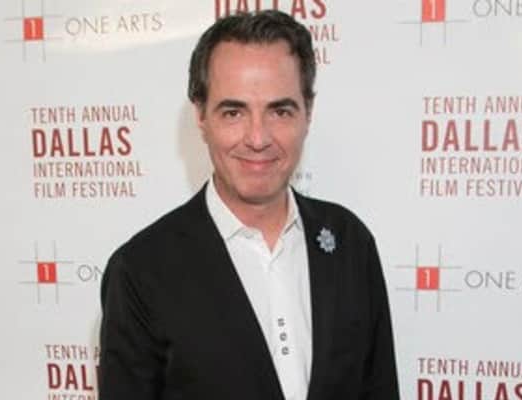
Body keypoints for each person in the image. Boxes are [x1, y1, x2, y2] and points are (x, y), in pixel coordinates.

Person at [99, 10, 400, 400]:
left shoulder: (349, 242)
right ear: (201, 117)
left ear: (308, 113)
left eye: (280, 111)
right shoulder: (141, 270)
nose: (258, 138)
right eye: (233, 112)